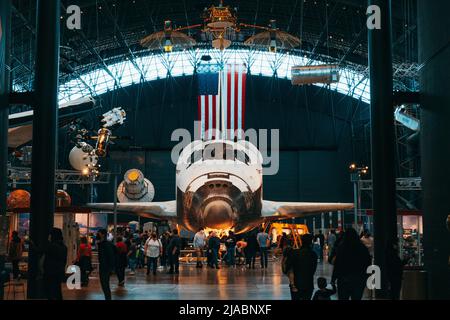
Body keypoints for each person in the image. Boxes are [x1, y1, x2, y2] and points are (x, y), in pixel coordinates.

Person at [331, 228, 371, 300]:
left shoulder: (342, 248)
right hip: (358, 279)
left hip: (344, 279)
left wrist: (333, 279)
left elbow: (337, 264)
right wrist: (366, 276)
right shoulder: (362, 247)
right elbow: (368, 262)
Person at [30, 228, 68, 300]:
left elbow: (39, 251)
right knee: (57, 291)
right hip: (59, 272)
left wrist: (32, 244)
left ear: (53, 236)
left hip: (50, 273)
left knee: (49, 292)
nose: (49, 237)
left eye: (50, 235)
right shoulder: (64, 247)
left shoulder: (52, 246)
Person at [284, 234, 318, 300]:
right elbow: (313, 270)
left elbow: (286, 269)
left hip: (296, 285)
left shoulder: (294, 253)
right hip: (308, 284)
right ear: (311, 242)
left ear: (301, 242)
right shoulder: (313, 255)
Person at [97, 229, 116, 300]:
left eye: (99, 233)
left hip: (105, 267)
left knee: (105, 285)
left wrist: (111, 268)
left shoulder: (106, 244)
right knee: (104, 285)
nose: (97, 235)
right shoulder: (104, 244)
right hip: (104, 267)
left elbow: (111, 256)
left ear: (102, 234)